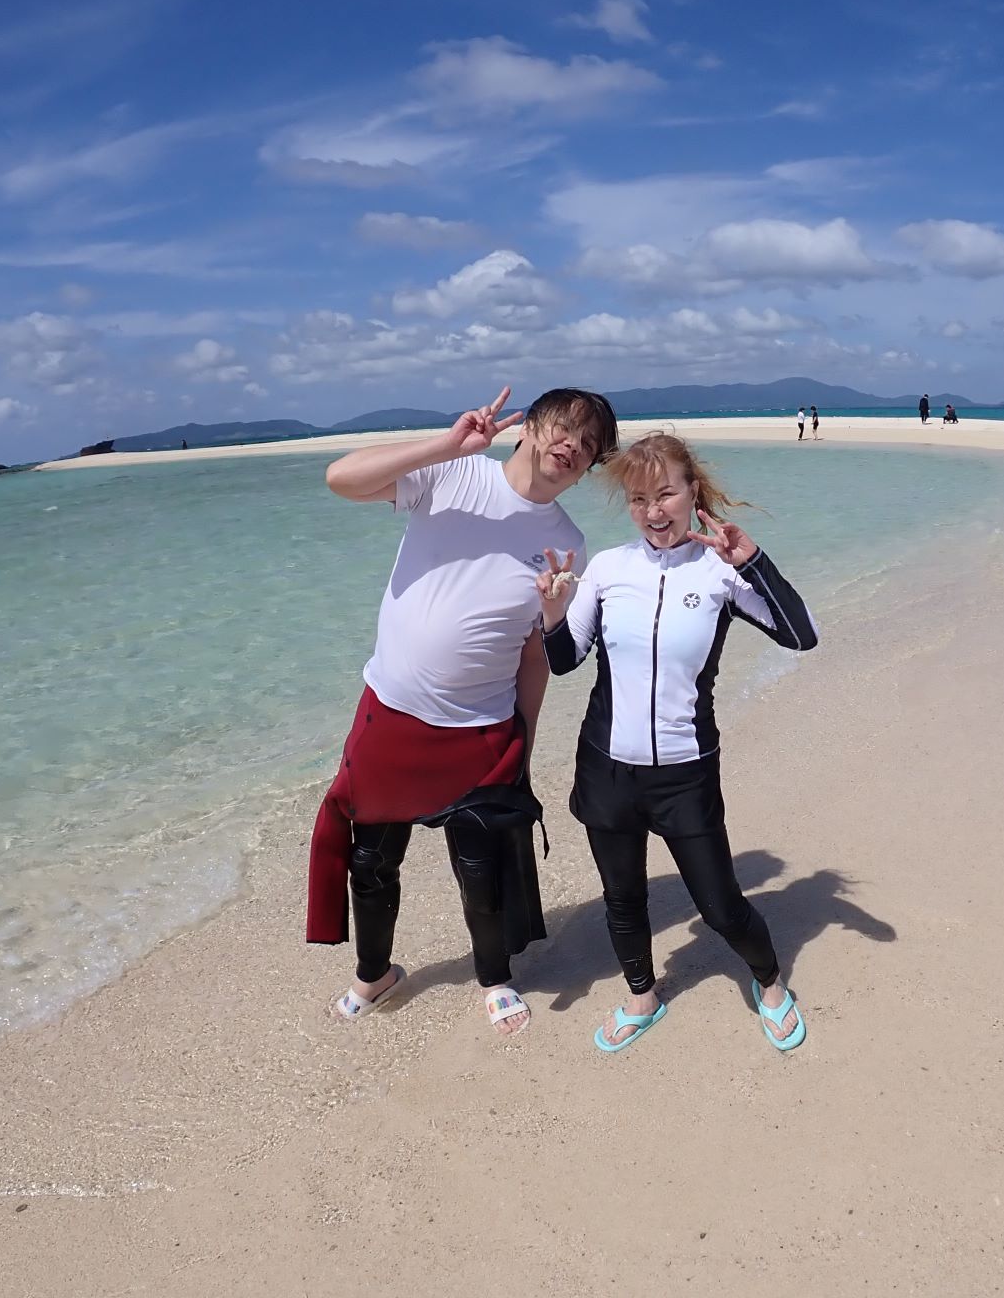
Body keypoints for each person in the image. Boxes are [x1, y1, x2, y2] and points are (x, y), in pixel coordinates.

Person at [312, 386, 619, 1037]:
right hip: (392, 709)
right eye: (564, 427)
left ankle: (495, 977)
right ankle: (374, 974)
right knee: (371, 860)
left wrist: (526, 742)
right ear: (528, 427)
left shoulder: (567, 542)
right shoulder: (453, 474)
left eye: (589, 445)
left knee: (481, 869)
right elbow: (341, 479)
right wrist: (447, 444)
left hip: (482, 726)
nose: (573, 446)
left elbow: (535, 655)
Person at [538, 432, 820, 1053]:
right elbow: (564, 660)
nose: (653, 511)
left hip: (685, 773)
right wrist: (552, 614)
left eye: (665, 494)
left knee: (719, 906)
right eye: (639, 499)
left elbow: (800, 635)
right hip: (607, 770)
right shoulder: (608, 569)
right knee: (622, 898)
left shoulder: (721, 571)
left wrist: (752, 561)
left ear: (693, 493)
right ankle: (642, 995)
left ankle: (770, 983)